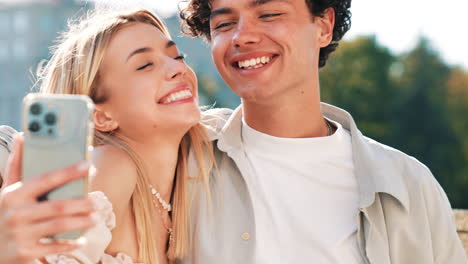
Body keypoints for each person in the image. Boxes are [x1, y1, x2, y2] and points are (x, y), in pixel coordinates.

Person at [177, 0, 468, 263]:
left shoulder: (409, 186)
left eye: (268, 14)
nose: (243, 36)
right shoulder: (181, 161)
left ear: (323, 27)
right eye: (225, 24)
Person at [0, 9, 217, 264]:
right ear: (101, 117)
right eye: (145, 65)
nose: (177, 68)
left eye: (177, 56)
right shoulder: (113, 165)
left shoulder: (193, 176)